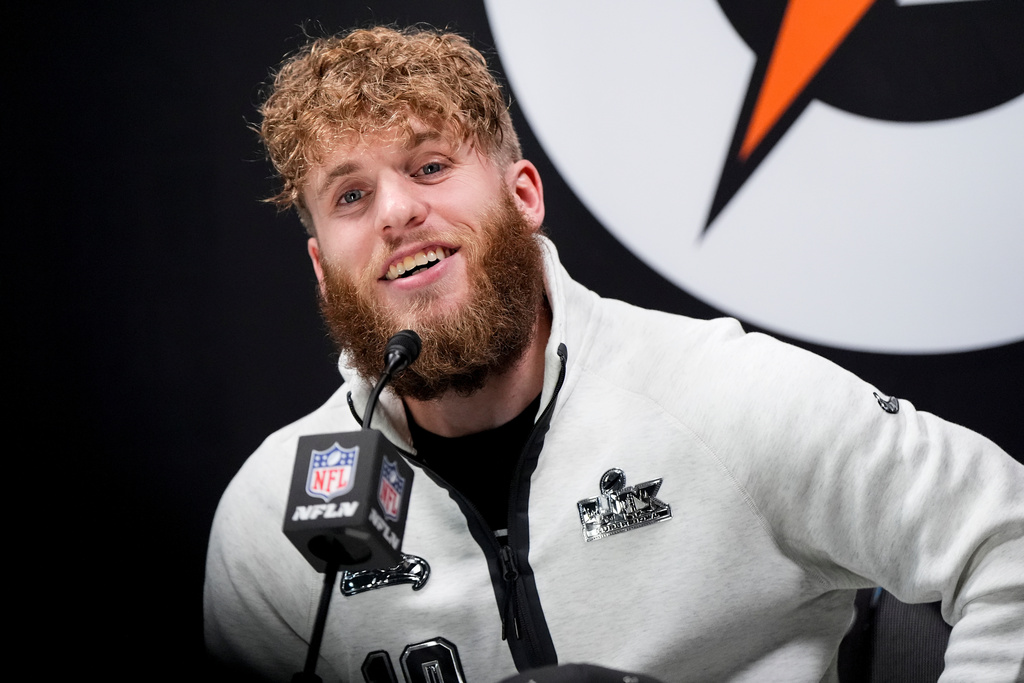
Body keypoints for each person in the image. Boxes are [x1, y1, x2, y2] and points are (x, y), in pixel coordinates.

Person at [204, 26, 1024, 682]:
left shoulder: (720, 396)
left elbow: (1008, 532)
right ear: (321, 268)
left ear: (523, 197)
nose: (396, 212)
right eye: (350, 195)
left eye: (430, 165)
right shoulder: (271, 517)